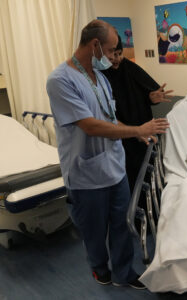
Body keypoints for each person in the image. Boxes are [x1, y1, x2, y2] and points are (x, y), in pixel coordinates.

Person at [46, 20, 169, 289]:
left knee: (122, 224)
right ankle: (99, 268)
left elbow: (111, 119)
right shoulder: (61, 80)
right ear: (95, 45)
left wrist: (134, 132)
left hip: (115, 166)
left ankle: (124, 273)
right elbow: (90, 126)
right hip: (85, 171)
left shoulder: (100, 78)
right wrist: (137, 128)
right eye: (112, 50)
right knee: (94, 230)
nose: (114, 57)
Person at [101, 35, 173, 195]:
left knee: (146, 173)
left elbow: (148, 93)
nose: (117, 59)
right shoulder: (100, 75)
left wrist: (152, 98)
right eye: (113, 55)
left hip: (143, 130)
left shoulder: (130, 68)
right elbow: (103, 113)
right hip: (118, 133)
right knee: (127, 177)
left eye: (120, 54)